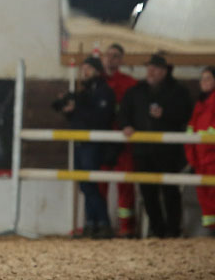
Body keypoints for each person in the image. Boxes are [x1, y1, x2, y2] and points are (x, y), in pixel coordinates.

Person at [120, 54, 193, 238]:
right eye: (149, 67)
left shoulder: (178, 92)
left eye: (155, 68)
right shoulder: (136, 91)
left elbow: (186, 115)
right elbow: (123, 112)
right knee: (148, 192)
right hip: (143, 151)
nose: (150, 71)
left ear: (164, 71)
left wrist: (166, 114)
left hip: (168, 152)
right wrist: (126, 125)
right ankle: (157, 229)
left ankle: (172, 229)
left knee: (170, 191)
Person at [54, 56, 116, 238]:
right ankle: (93, 223)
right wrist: (70, 111)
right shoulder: (85, 93)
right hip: (81, 142)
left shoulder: (104, 92)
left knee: (89, 184)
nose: (85, 72)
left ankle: (102, 222)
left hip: (93, 143)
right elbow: (80, 117)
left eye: (88, 68)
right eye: (84, 68)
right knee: (85, 184)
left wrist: (76, 109)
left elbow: (101, 118)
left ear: (97, 71)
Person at [185, 67, 215, 237]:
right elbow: (191, 128)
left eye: (208, 79)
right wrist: (192, 153)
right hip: (200, 158)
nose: (204, 82)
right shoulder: (201, 103)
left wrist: (198, 141)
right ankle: (211, 229)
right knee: (204, 195)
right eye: (202, 79)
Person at [102, 43, 139, 237]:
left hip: (123, 141)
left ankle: (127, 227)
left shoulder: (130, 83)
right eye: (108, 55)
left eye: (115, 56)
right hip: (102, 141)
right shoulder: (95, 81)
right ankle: (101, 225)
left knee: (125, 184)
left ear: (121, 59)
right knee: (100, 183)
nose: (110, 59)